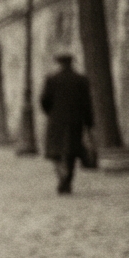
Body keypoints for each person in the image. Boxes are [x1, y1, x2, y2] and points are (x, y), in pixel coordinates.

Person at [40, 53, 94, 195]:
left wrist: (51, 113)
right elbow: (87, 104)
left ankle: (61, 174)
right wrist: (89, 122)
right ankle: (68, 181)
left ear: (59, 63)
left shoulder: (51, 79)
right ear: (71, 63)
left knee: (55, 152)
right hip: (75, 120)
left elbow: (44, 100)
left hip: (56, 120)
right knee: (71, 151)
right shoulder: (81, 80)